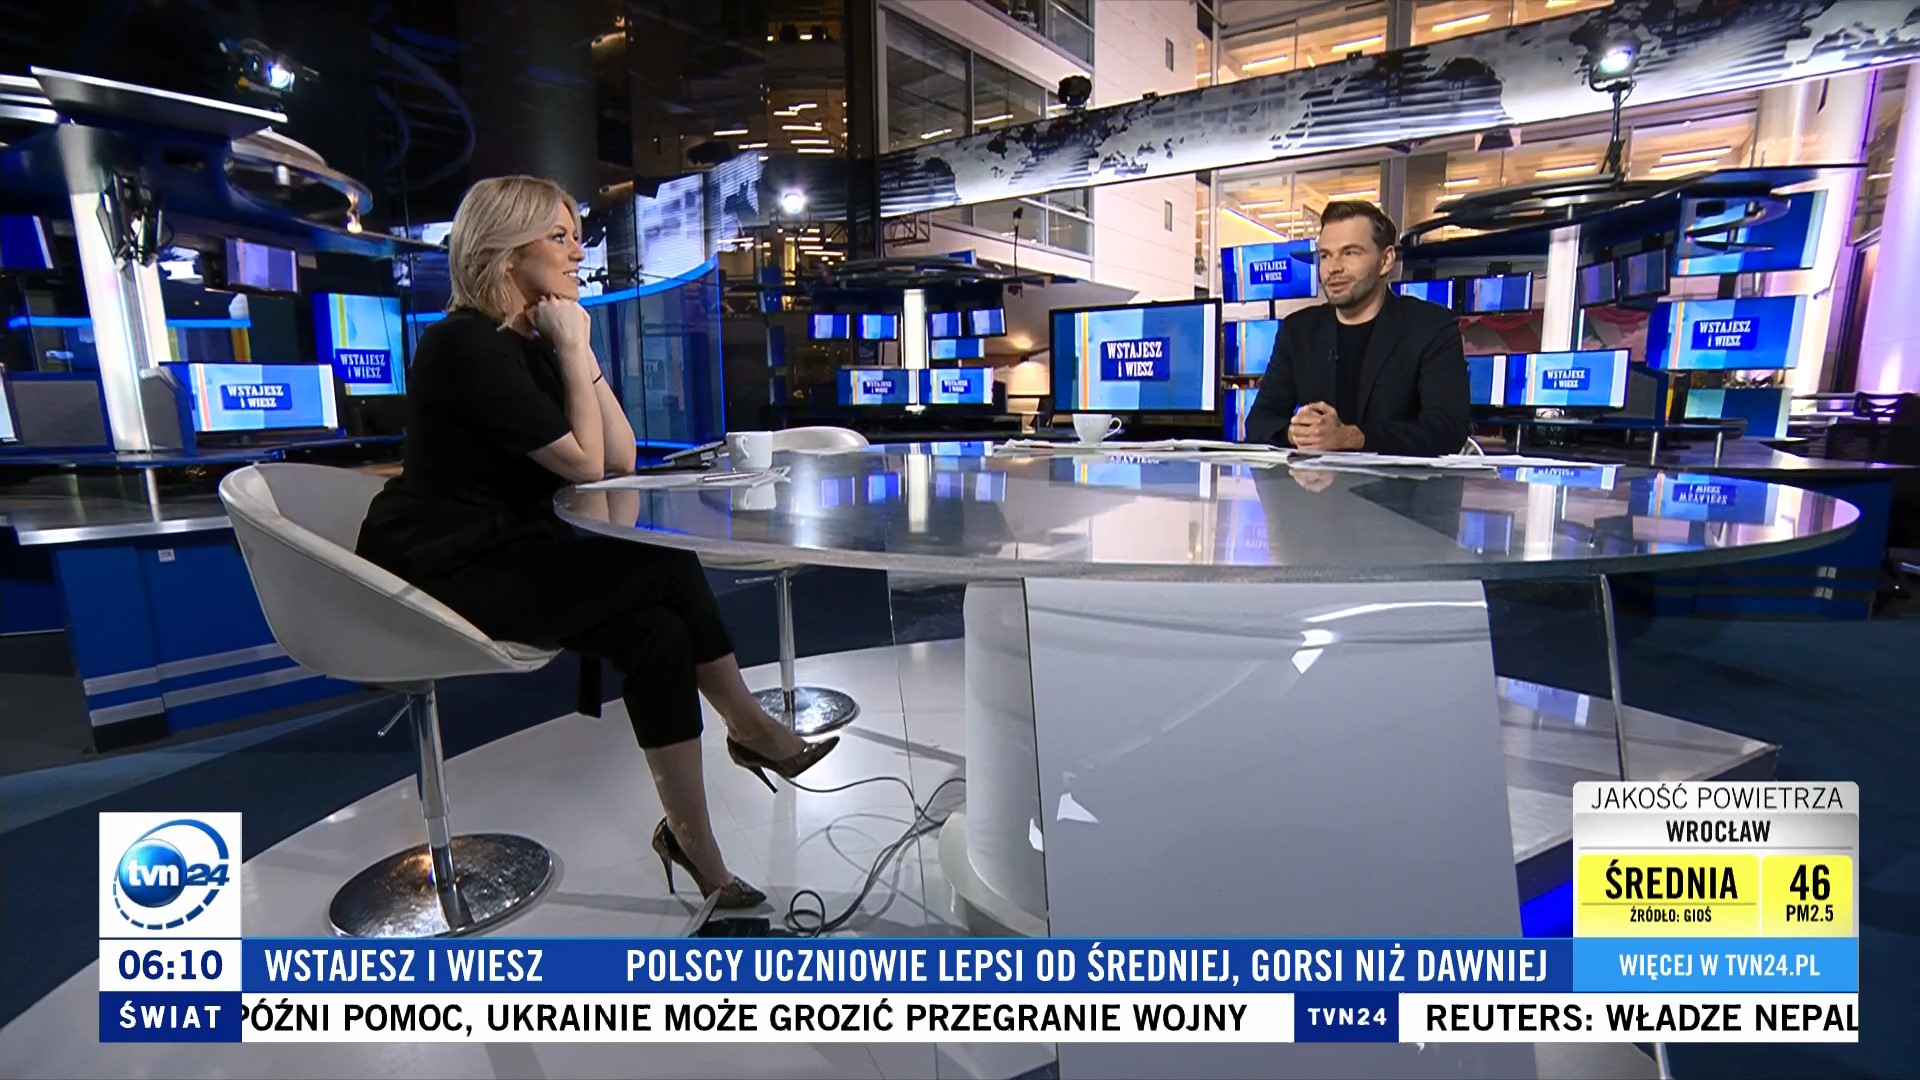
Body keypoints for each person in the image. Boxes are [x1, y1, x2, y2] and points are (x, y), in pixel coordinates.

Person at [355, 175, 833, 910]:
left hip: (512, 549)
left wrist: (578, 349)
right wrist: (574, 347)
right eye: (559, 237)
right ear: (504, 251)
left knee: (658, 634)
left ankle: (695, 845)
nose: (579, 251)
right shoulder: (463, 345)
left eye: (577, 235)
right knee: (659, 556)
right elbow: (583, 464)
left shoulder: (534, 342)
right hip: (447, 565)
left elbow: (621, 454)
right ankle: (750, 726)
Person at [1242, 200, 1470, 456]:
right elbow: (1259, 421)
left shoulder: (1431, 327)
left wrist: (1351, 437)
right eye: (1325, 255)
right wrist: (1297, 433)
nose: (1333, 268)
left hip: (1401, 482)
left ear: (1386, 260)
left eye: (1350, 253)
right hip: (1316, 481)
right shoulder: (1298, 331)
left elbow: (1447, 430)